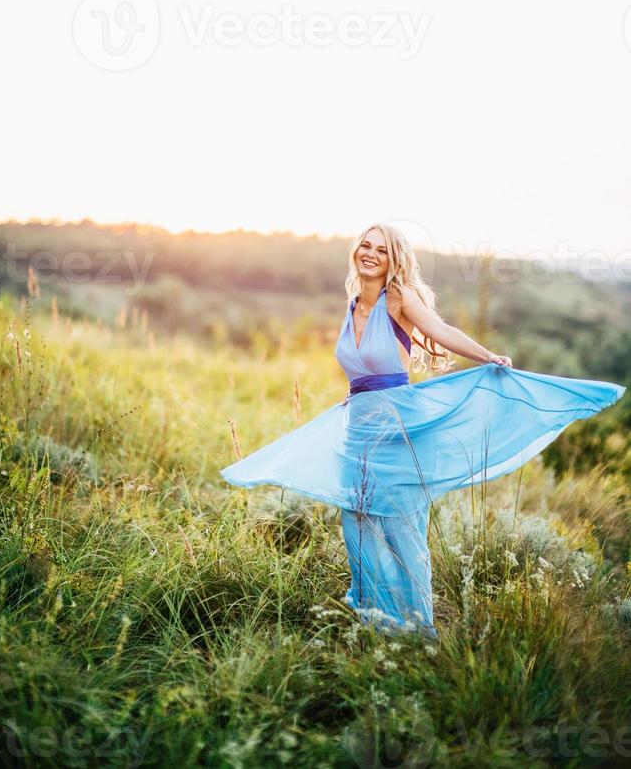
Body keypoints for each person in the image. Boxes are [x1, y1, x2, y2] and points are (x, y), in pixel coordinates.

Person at [220, 223, 626, 640]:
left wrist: (488, 356)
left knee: (400, 529)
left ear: (394, 259)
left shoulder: (398, 298)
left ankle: (418, 628)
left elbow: (441, 331)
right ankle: (376, 621)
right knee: (357, 526)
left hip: (398, 430)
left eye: (381, 249)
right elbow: (361, 369)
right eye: (365, 245)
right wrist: (355, 396)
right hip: (357, 433)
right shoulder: (353, 301)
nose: (371, 253)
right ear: (355, 251)